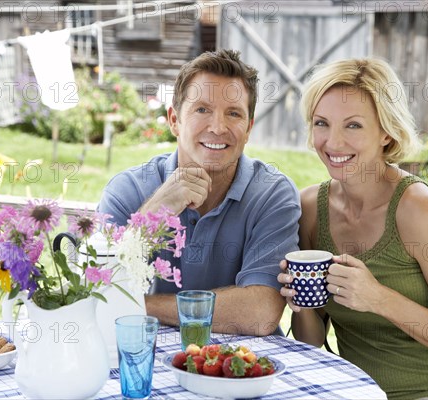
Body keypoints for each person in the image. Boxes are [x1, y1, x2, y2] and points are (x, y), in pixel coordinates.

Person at [277, 58, 428, 399]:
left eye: (353, 126)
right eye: (322, 123)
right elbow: (313, 340)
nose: (333, 142)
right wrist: (302, 304)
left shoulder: (416, 209)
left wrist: (378, 298)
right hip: (361, 393)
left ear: (386, 132)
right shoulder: (311, 209)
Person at [98, 49, 300, 336]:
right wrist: (153, 214)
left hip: (242, 367)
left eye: (233, 114)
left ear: (249, 129)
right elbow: (96, 289)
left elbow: (259, 313)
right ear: (174, 121)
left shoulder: (272, 194)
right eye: (202, 109)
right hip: (146, 358)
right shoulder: (127, 190)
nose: (218, 127)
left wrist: (139, 305)